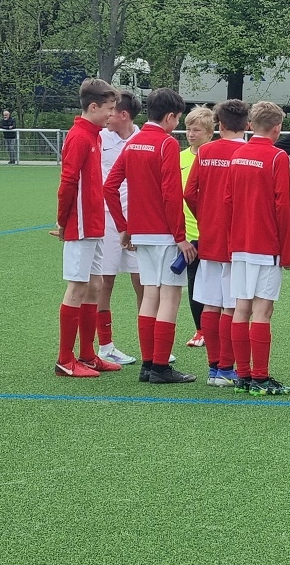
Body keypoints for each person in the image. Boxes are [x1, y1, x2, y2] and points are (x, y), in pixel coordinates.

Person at [104, 87, 197, 384]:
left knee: (150, 296)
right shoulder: (166, 143)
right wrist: (180, 236)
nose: (177, 124)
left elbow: (110, 186)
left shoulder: (133, 143)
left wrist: (124, 226)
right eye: (178, 119)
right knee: (169, 297)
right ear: (169, 117)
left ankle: (148, 365)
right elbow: (171, 194)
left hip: (141, 233)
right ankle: (160, 367)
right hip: (165, 234)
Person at [225, 101, 290, 396]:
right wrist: (286, 251)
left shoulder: (238, 154)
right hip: (266, 245)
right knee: (263, 310)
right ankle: (260, 377)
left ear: (251, 125)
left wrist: (232, 239)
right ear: (277, 128)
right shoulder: (277, 157)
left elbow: (228, 201)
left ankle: (242, 375)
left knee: (241, 307)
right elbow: (282, 207)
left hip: (240, 243)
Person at [54, 78, 121, 377]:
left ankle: (87, 355)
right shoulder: (79, 137)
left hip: (94, 222)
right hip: (80, 223)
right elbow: (68, 181)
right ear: (93, 107)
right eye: (109, 108)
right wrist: (63, 220)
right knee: (78, 286)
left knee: (95, 285)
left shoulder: (95, 136)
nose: (112, 114)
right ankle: (64, 360)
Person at [184, 100, 249, 388]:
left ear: (219, 124)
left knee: (211, 303)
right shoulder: (247, 152)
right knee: (232, 306)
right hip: (238, 240)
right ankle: (226, 368)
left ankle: (214, 368)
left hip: (209, 237)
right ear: (247, 124)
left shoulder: (206, 151)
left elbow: (189, 193)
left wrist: (206, 217)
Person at [95, 90, 144, 367]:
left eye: (112, 110)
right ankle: (105, 346)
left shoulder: (143, 139)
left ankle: (149, 346)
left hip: (139, 222)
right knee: (105, 281)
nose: (107, 115)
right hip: (107, 221)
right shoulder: (99, 138)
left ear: (124, 114)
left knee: (143, 282)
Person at [180, 107, 214, 347]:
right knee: (193, 282)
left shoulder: (213, 157)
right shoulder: (179, 158)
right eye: (188, 129)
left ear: (210, 133)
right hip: (188, 233)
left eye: (196, 130)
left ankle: (216, 328)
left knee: (214, 282)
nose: (191, 134)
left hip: (212, 232)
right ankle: (200, 330)